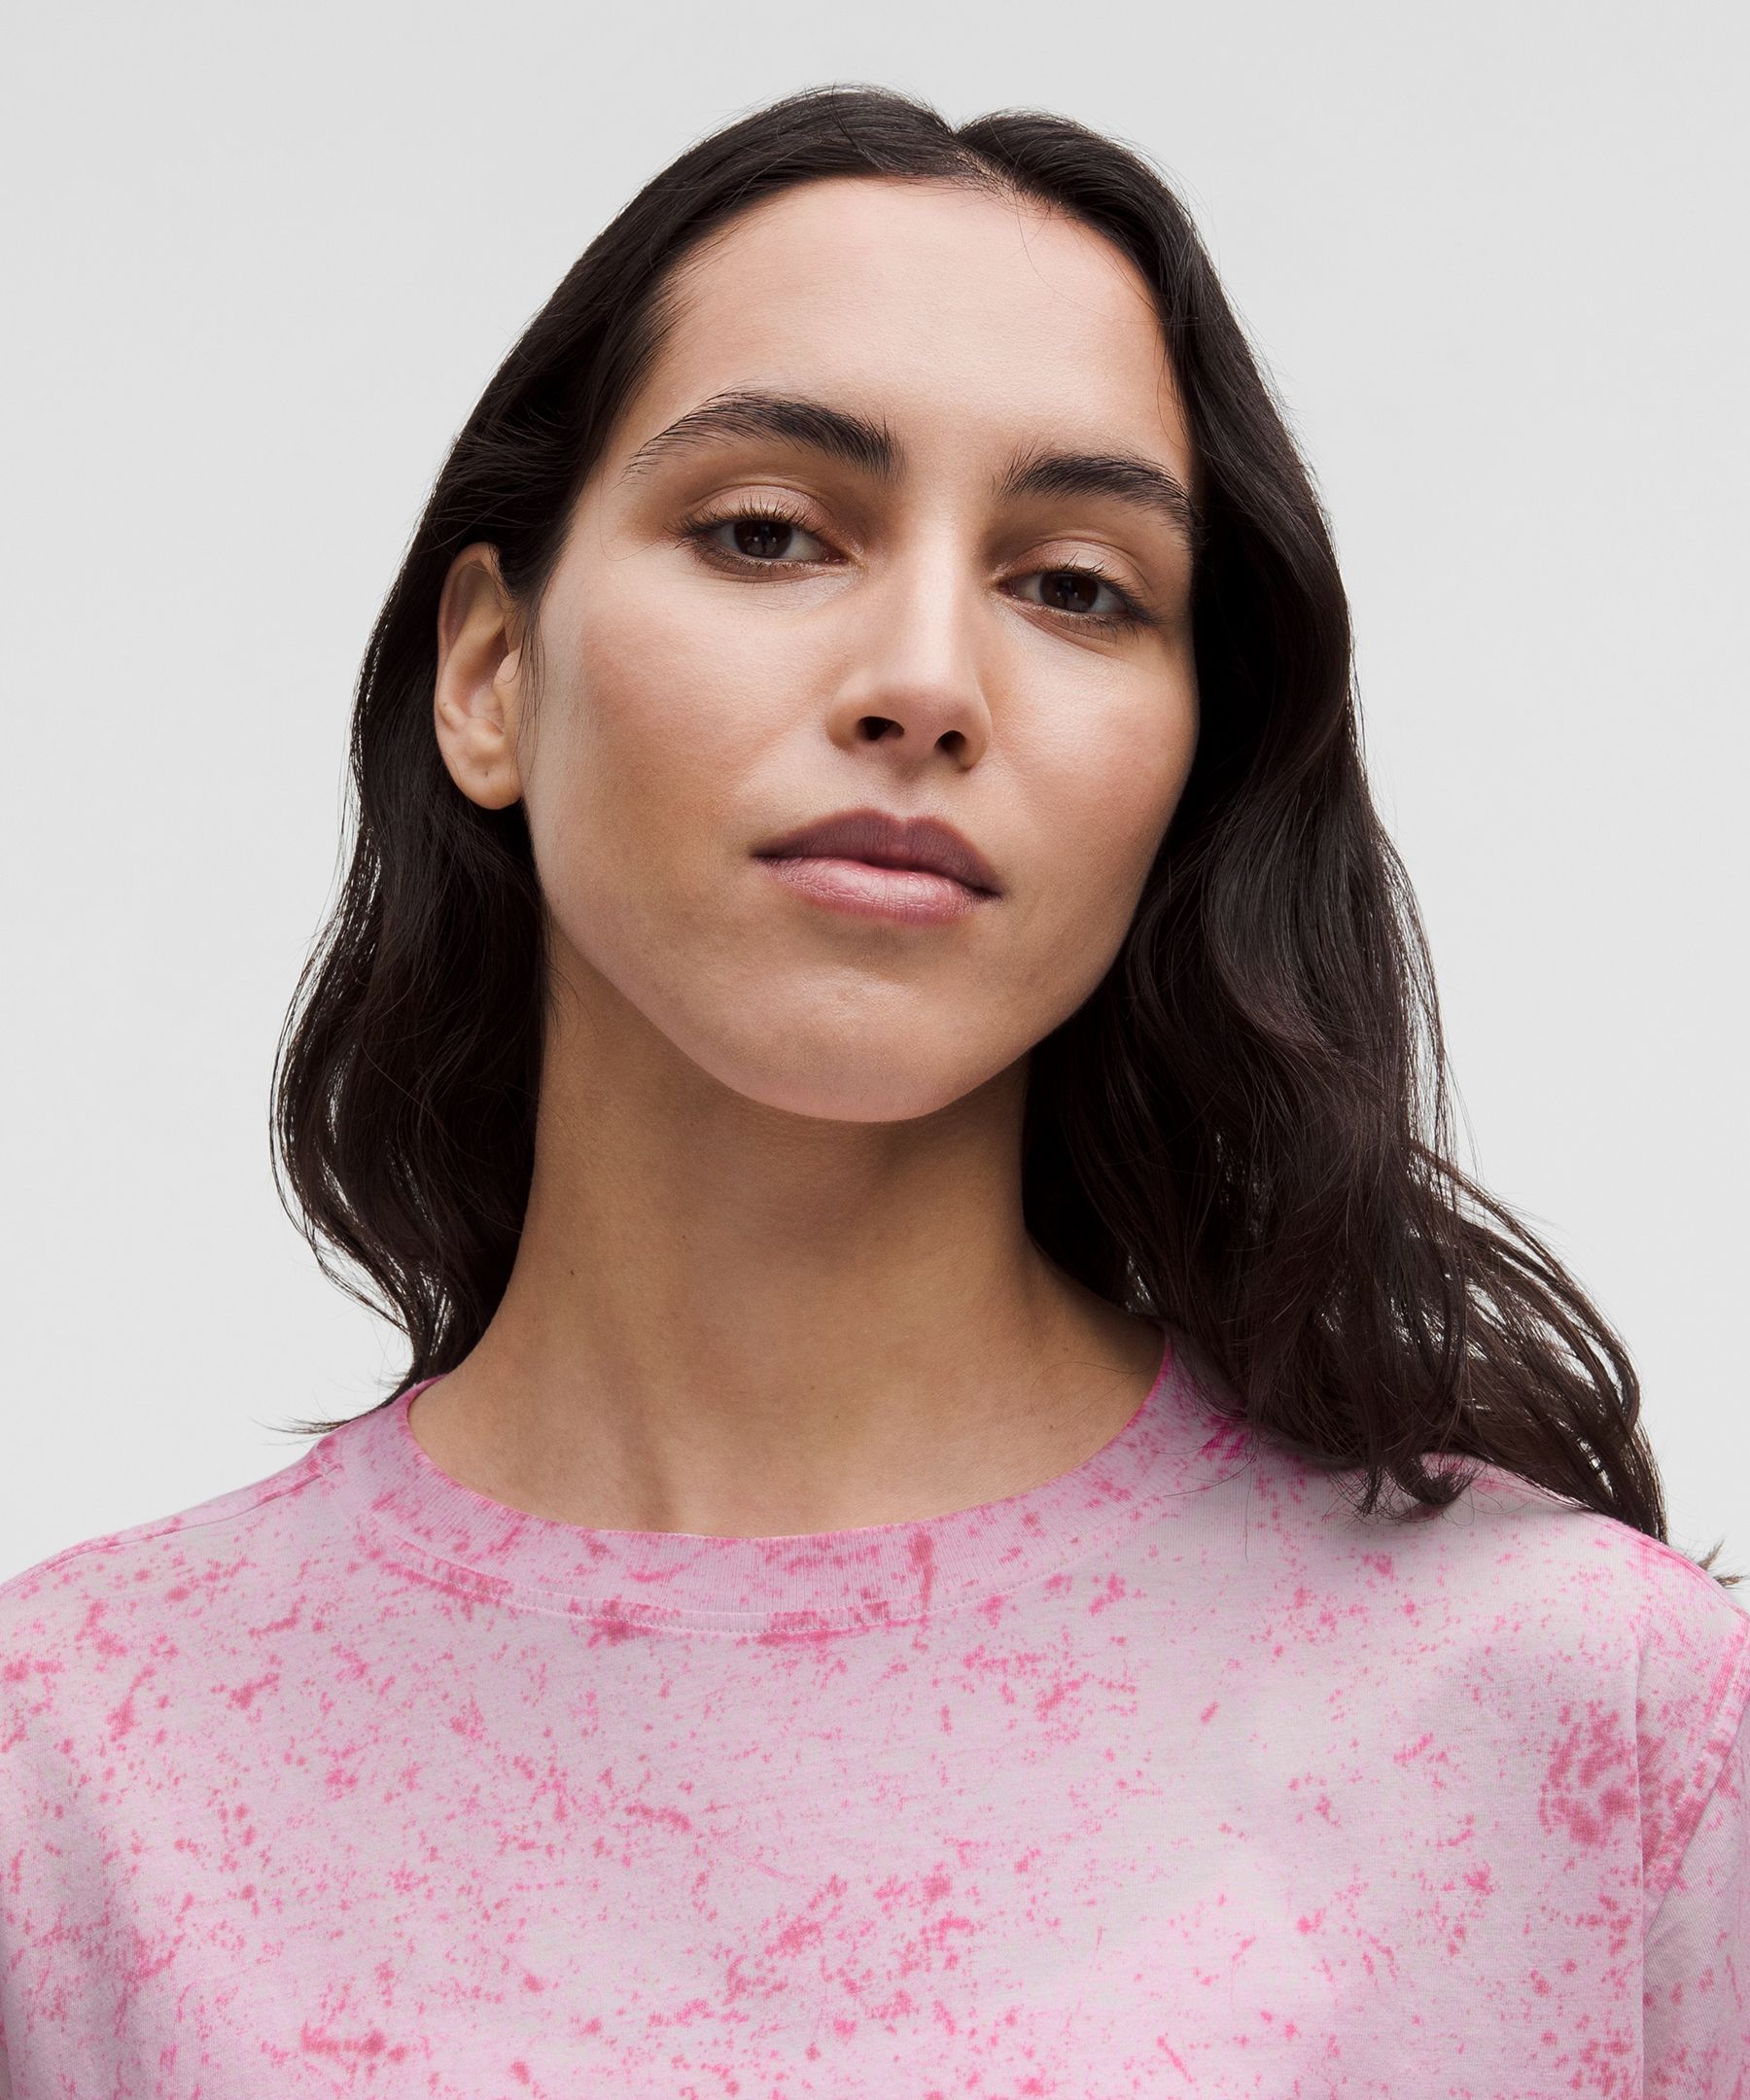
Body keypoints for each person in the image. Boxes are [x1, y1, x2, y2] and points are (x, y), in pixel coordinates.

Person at [1, 83, 1743, 2096]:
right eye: (767, 533)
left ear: (1187, 760)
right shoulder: (78, 1769)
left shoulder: (1597, 1724)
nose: (924, 681)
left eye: (1074, 585)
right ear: (490, 674)